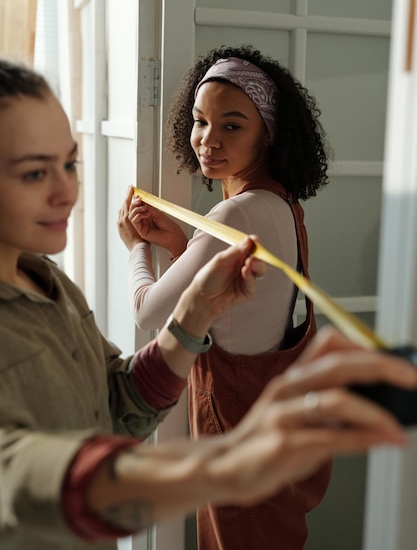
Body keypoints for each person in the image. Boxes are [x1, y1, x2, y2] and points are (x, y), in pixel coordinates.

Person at [1, 62, 413, 550]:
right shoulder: (272, 206)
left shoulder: (54, 286)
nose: (66, 192)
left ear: (270, 136)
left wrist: (195, 311)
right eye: (33, 172)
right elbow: (25, 476)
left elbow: (117, 400)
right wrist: (229, 464)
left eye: (70, 165)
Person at [118, 45, 332, 548]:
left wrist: (136, 248)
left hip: (237, 420)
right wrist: (177, 244)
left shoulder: (234, 215)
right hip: (278, 420)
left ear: (268, 134)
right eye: (199, 121)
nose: (207, 141)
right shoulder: (280, 204)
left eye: (232, 125)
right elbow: (229, 297)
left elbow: (149, 312)